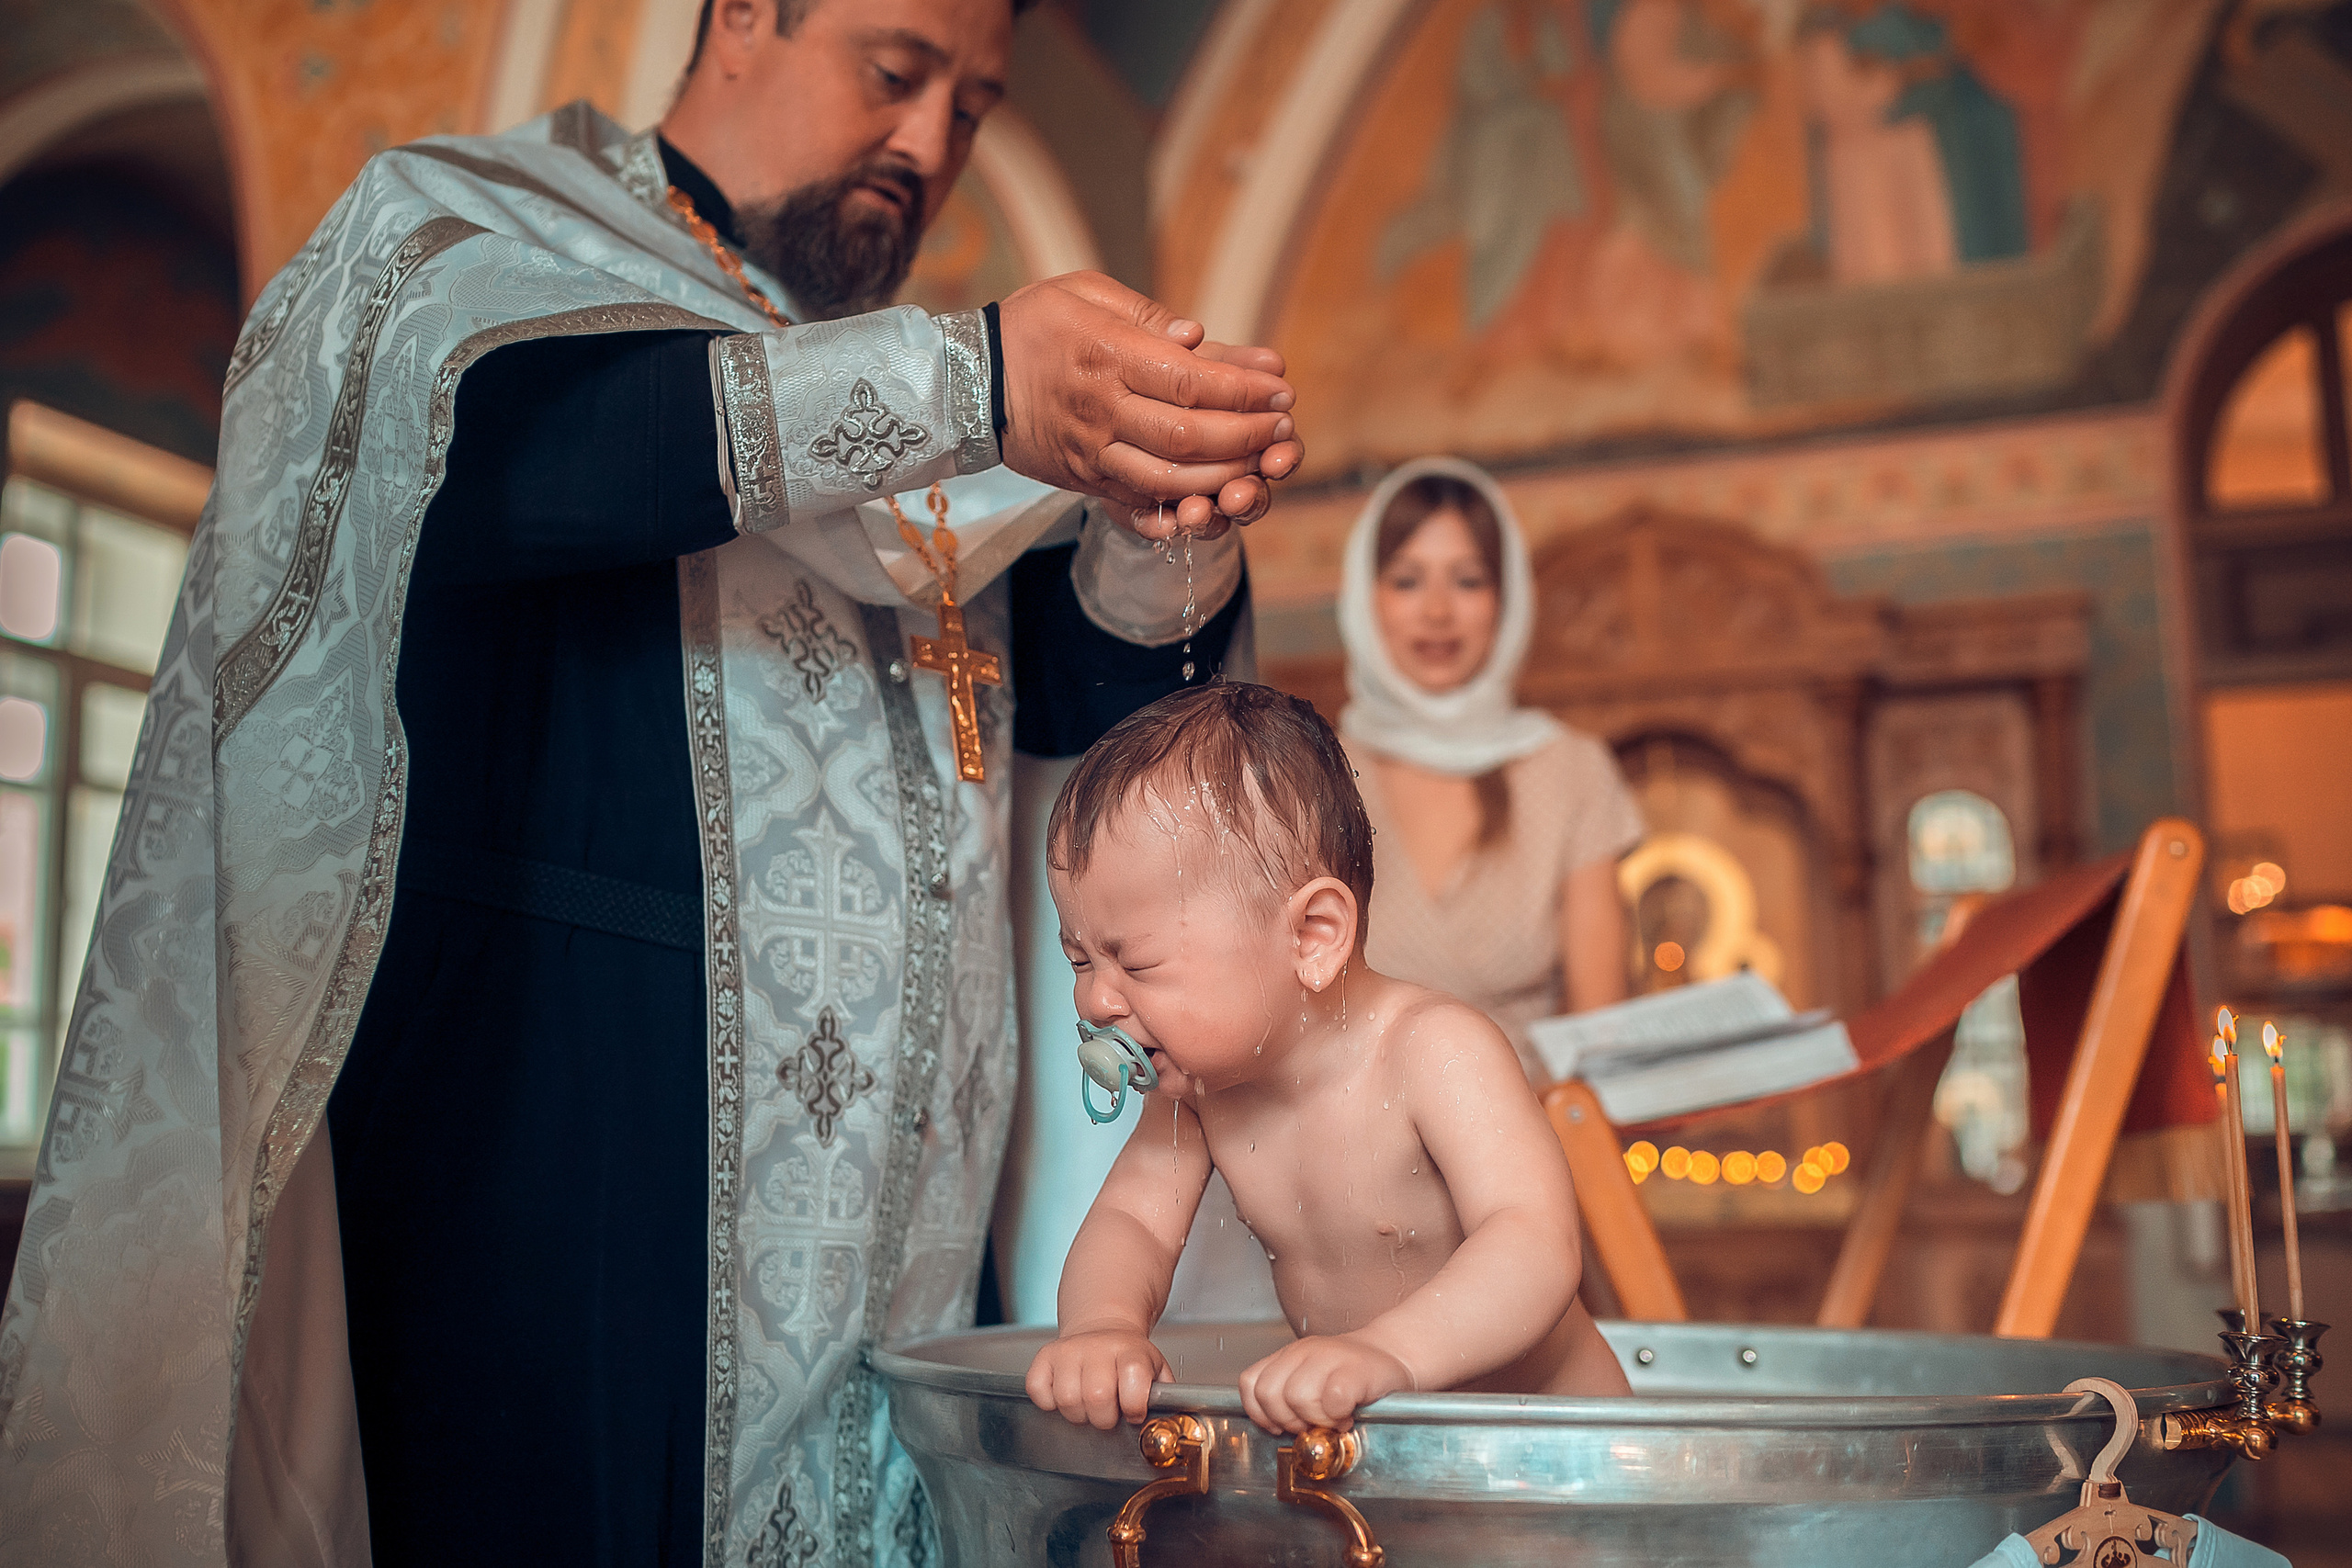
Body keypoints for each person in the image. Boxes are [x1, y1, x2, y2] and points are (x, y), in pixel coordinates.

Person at [0, 1, 1304, 1562]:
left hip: (914, 1253)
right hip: (570, 1197)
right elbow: (502, 459)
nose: (929, 143)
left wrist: (1168, 525)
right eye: (895, 75)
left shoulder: (927, 410)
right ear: (744, 15)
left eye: (970, 108)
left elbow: (1077, 732)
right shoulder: (476, 237)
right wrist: (971, 382)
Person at [1024, 684, 1630, 1436]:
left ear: (1312, 935)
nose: (1095, 1002)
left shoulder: (1435, 1050)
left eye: (1136, 964)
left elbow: (1533, 1242)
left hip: (1556, 1445)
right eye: (1079, 960)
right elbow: (1132, 1222)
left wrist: (1388, 1355)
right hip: (1387, 1448)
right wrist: (1102, 1326)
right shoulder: (1204, 1091)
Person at [1337, 457, 1644, 1084]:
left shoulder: (1573, 770)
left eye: (1469, 580)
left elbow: (1599, 1043)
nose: (1438, 612)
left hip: (1528, 1142)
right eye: (1407, 581)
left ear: (1508, 599)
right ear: (1364, 599)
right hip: (1344, 1158)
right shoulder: (1312, 773)